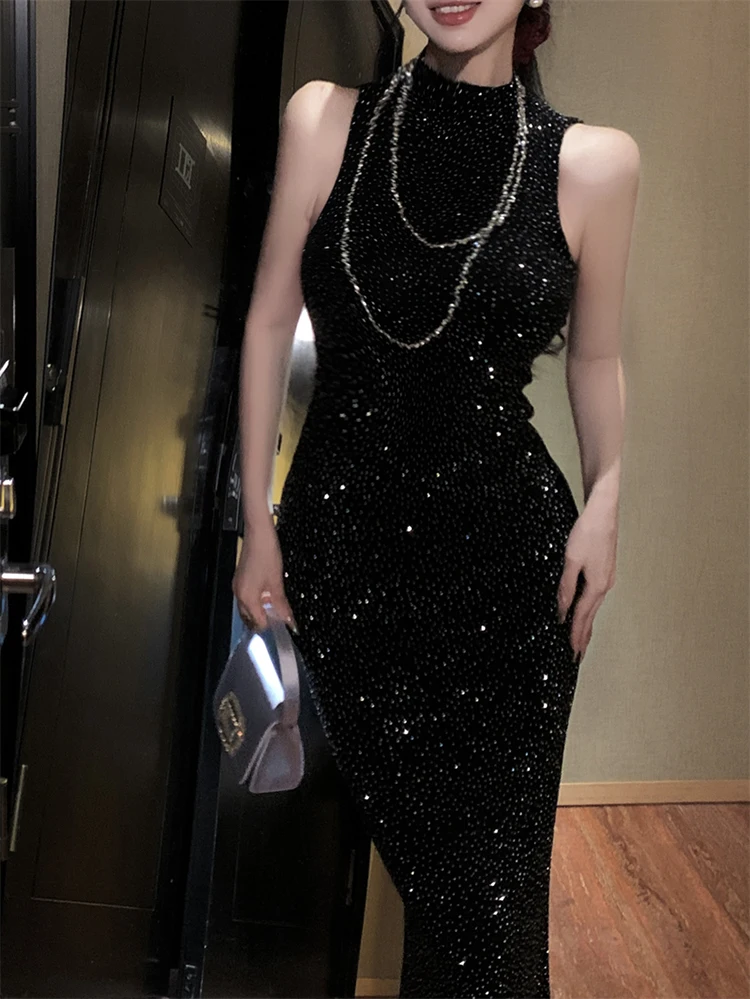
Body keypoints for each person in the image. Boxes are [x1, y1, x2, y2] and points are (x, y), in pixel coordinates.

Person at [233, 0, 639, 995]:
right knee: (449, 894)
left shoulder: (596, 164)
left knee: (485, 913)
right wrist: (257, 523)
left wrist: (605, 500)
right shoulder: (323, 119)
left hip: (511, 577)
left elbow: (596, 358)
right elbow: (268, 319)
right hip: (345, 560)